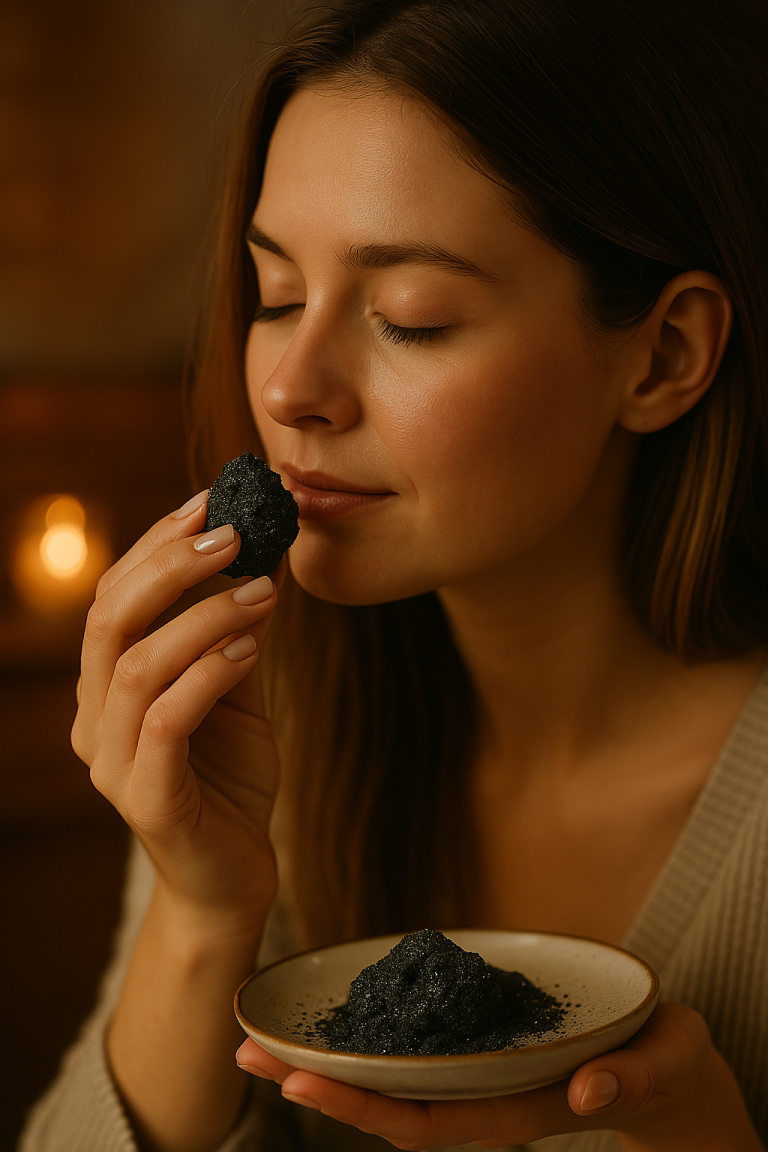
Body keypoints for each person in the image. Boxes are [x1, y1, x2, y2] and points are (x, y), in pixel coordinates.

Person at [20, 0, 768, 1149]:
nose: (288, 387)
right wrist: (201, 910)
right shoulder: (271, 729)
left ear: (663, 355)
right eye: (274, 298)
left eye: (409, 316)